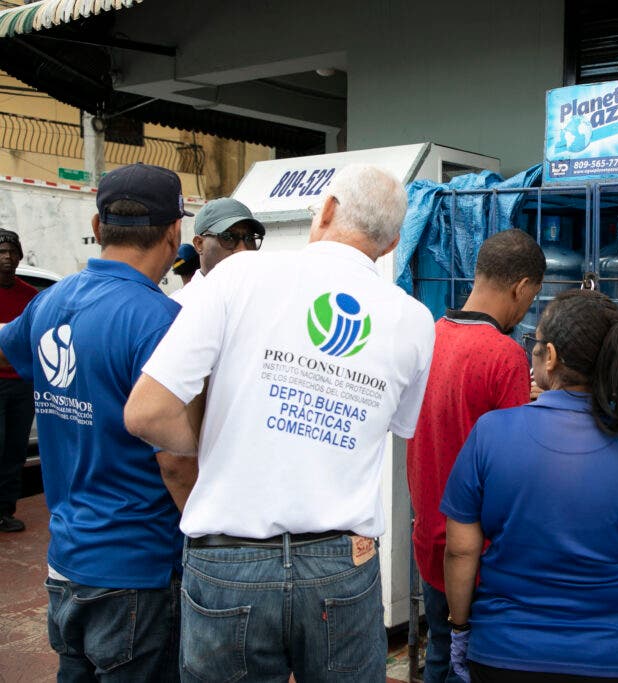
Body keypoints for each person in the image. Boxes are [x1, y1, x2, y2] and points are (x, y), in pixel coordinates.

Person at [123, 163, 435, 682]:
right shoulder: (413, 320)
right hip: (341, 563)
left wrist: (227, 436)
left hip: (229, 560)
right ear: (392, 241)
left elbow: (145, 412)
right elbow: (394, 428)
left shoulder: (238, 275)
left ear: (329, 210)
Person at [442, 289, 618, 683]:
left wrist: (459, 628)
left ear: (552, 357)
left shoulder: (491, 433)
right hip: (616, 659)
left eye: (534, 344)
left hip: (502, 653)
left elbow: (460, 552)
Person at [0, 162, 196, 679]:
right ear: (176, 233)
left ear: (96, 226)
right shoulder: (160, 322)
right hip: (139, 569)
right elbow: (176, 462)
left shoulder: (49, 302)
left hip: (67, 563)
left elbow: (8, 343)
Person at [407, 228, 545, 683]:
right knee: (474, 663)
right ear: (522, 287)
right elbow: (516, 463)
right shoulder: (504, 355)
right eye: (532, 297)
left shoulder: (428, 337)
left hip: (430, 539)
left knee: (440, 652)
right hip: (480, 557)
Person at [0, 229, 38, 532]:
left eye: (12, 251)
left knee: (14, 450)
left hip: (22, 385)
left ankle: (5, 510)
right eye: (1, 252)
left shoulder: (30, 297)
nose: (7, 257)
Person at [170, 196, 264, 303]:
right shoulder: (179, 308)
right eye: (227, 237)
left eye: (249, 238)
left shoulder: (264, 299)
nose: (243, 249)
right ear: (199, 244)